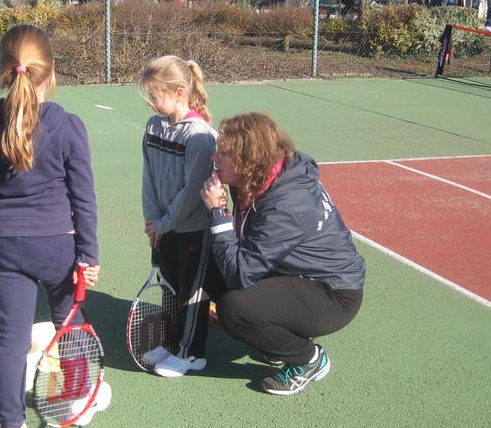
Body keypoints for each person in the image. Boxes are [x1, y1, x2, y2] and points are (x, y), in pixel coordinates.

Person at [0, 24, 101, 428]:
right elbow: (84, 197)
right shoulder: (67, 124)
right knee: (69, 325)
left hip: (9, 246)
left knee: (13, 337)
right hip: (59, 246)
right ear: (50, 74)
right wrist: (89, 254)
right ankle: (76, 398)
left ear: (3, 71)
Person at [199, 112, 365, 396]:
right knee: (208, 258)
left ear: (249, 160)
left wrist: (217, 214)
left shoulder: (286, 205)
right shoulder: (260, 179)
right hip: (293, 275)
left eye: (224, 153)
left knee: (236, 309)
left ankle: (309, 359)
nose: (215, 159)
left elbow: (240, 273)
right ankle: (276, 338)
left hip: (332, 294)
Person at [139, 55, 223, 378]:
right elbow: (147, 176)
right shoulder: (153, 126)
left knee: (192, 293)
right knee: (170, 287)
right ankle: (172, 343)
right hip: (165, 227)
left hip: (194, 229)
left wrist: (165, 222)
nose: (150, 101)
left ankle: (192, 352)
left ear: (178, 93)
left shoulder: (199, 136)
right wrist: (153, 221)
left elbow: (192, 193)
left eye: (155, 95)